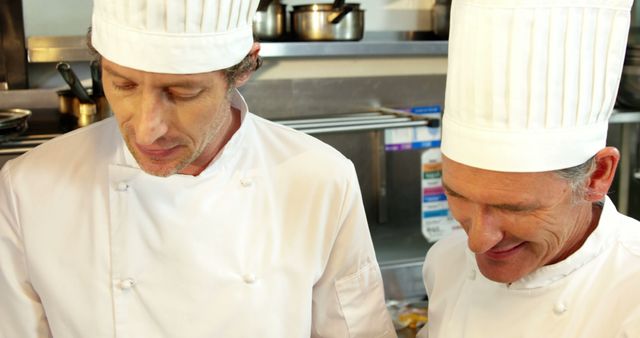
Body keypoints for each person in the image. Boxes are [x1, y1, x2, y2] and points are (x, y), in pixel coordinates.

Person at [0, 0, 396, 337]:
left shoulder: (320, 178)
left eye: (182, 92)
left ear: (243, 69)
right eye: (123, 85)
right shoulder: (30, 189)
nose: (146, 128)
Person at [419, 0, 640, 337]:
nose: (477, 241)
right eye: (457, 196)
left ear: (598, 176)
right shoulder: (445, 262)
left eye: (513, 208)